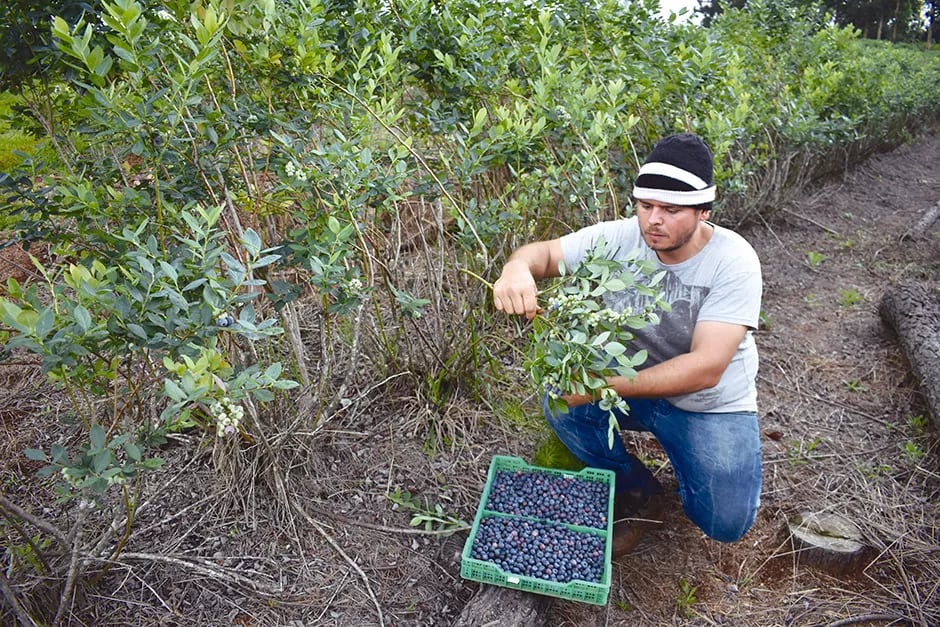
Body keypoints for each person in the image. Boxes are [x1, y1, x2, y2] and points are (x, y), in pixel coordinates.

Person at [492, 133, 762, 555]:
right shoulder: (618, 239)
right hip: (630, 387)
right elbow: (539, 254)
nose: (654, 220)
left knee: (724, 522)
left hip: (706, 404)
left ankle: (688, 463)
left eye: (671, 210)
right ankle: (638, 491)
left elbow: (706, 367)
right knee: (560, 403)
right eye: (646, 206)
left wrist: (602, 386)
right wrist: (516, 269)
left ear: (703, 211)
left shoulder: (734, 261)